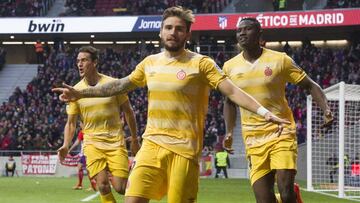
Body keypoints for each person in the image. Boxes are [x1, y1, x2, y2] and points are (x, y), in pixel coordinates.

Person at [52, 7, 289, 203]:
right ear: (160, 32)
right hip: (152, 145)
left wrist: (263, 111)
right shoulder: (150, 63)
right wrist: (80, 93)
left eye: (179, 29)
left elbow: (232, 91)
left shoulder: (201, 64)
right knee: (132, 199)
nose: (173, 32)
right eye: (168, 27)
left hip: (184, 150)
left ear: (187, 34)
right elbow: (119, 86)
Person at [222, 17, 334, 203]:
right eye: (239, 30)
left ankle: (291, 195)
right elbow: (229, 101)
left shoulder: (280, 60)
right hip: (253, 138)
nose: (242, 33)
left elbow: (310, 85)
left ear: (259, 35)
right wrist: (229, 131)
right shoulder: (229, 66)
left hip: (281, 131)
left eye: (248, 29)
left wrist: (326, 109)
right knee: (264, 200)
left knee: (286, 191)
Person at [57, 46, 140, 203]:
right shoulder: (75, 90)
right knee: (102, 185)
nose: (79, 64)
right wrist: (66, 144)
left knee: (121, 188)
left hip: (115, 142)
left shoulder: (113, 84)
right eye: (78, 61)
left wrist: (134, 138)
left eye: (84, 60)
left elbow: (129, 112)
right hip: (92, 143)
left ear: (95, 62)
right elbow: (71, 123)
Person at [68, 122, 97, 191]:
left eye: (81, 123)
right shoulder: (82, 132)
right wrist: (70, 149)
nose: (80, 125)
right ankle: (81, 185)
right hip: (84, 153)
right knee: (80, 167)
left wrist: (70, 149)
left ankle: (93, 186)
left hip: (88, 153)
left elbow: (77, 142)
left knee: (88, 170)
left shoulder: (88, 132)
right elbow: (77, 142)